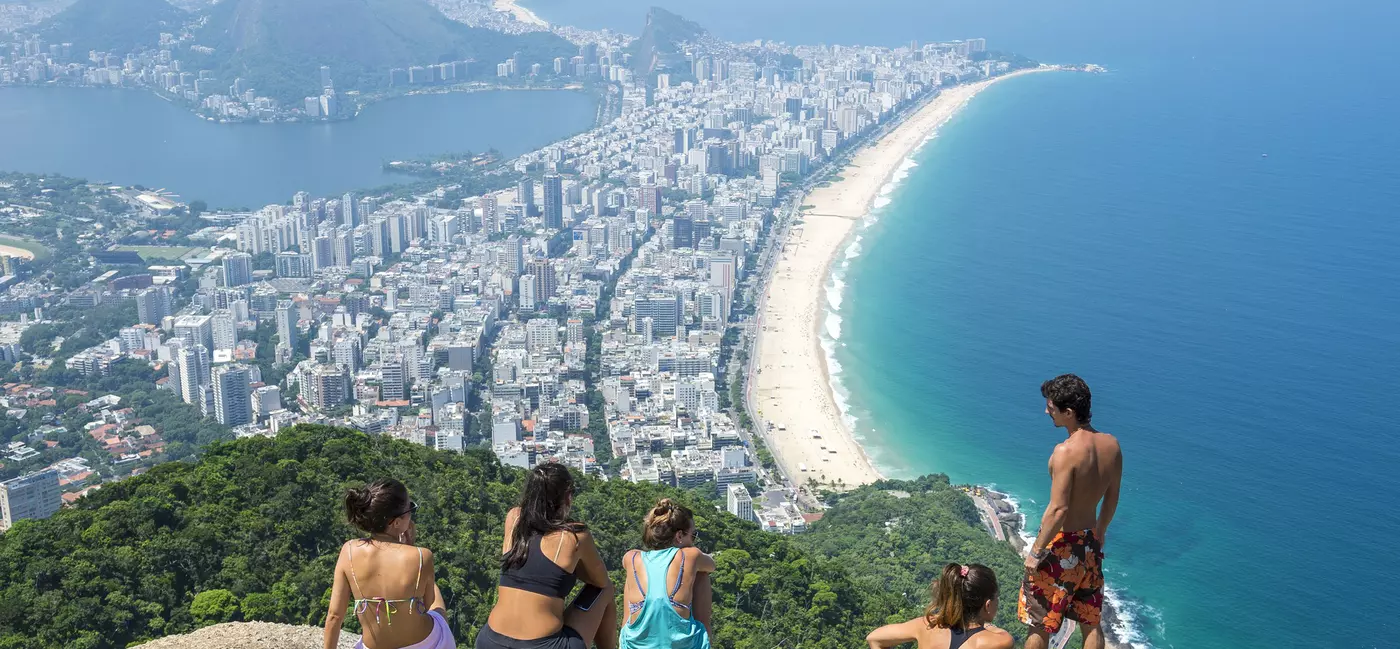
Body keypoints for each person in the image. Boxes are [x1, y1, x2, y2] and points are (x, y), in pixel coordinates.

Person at [1020, 374, 1123, 649]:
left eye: (1051, 407)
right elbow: (1112, 497)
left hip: (1062, 545)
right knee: (1090, 620)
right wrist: (1100, 531)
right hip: (1090, 543)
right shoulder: (1112, 445)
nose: (1046, 411)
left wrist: (1037, 551)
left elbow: (1058, 509)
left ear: (1069, 412)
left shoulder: (1065, 452)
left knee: (1040, 621)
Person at [476, 463, 618, 649]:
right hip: (545, 645)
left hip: (490, 641)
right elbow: (600, 581)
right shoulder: (573, 536)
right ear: (567, 497)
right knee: (606, 589)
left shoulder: (514, 519)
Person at [325, 478, 454, 649]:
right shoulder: (422, 556)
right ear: (397, 522)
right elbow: (429, 603)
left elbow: (334, 616)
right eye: (410, 509)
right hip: (426, 643)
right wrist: (412, 552)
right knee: (439, 612)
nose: (411, 515)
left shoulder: (348, 551)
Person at [618, 499, 714, 649]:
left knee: (633, 575)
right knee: (702, 574)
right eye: (693, 535)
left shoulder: (632, 558)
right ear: (679, 536)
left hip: (633, 644)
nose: (694, 541)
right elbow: (711, 565)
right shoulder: (690, 555)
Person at [865, 564, 1013, 649]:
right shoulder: (999, 640)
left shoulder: (926, 625)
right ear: (987, 605)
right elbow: (991, 630)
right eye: (996, 598)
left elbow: (874, 638)